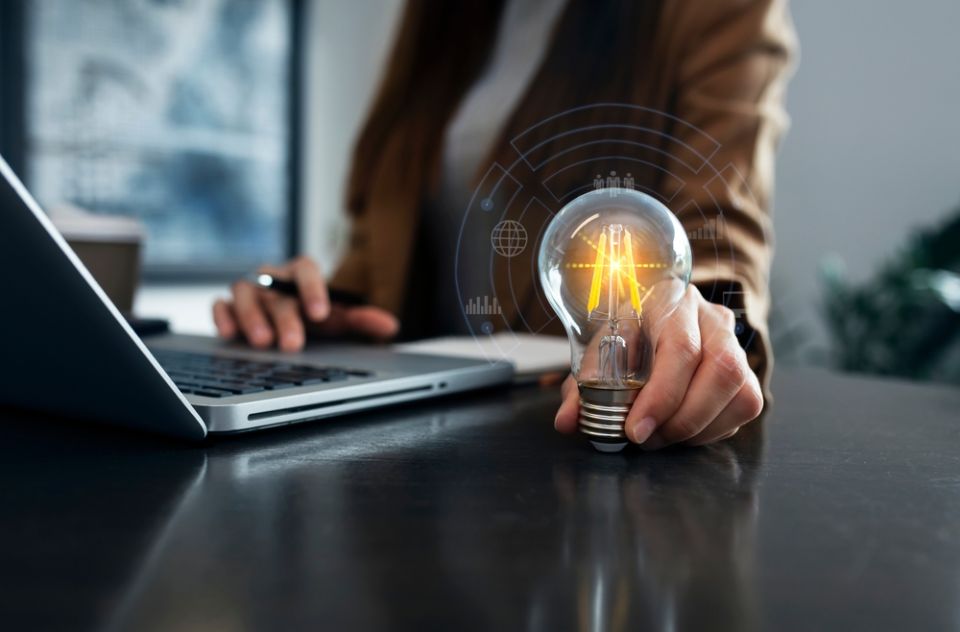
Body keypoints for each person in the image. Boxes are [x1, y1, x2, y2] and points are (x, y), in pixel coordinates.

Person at [212, 0, 797, 449]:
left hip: (538, 441)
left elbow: (721, 225)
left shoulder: (706, 12)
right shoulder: (436, 16)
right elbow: (380, 252)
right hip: (412, 452)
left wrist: (700, 325)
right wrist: (315, 311)